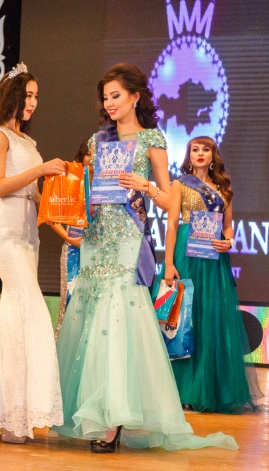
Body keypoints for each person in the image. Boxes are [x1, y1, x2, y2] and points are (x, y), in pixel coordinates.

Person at [54, 64, 237, 452]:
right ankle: (87, 410)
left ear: (135, 97)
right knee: (91, 317)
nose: (110, 103)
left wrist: (146, 186)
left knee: (117, 318)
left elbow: (171, 201)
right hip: (96, 237)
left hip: (127, 239)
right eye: (105, 98)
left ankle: (112, 417)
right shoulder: (98, 140)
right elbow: (86, 187)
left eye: (116, 95)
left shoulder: (152, 138)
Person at [0, 63, 67, 443]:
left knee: (15, 316)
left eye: (36, 96)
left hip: (28, 237)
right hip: (6, 235)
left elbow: (37, 200)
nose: (33, 102)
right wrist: (40, 170)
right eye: (28, 95)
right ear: (12, 96)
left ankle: (10, 416)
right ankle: (13, 415)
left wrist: (67, 229)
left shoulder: (28, 141)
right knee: (32, 311)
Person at [159, 136, 261, 413]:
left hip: (214, 259)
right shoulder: (180, 184)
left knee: (212, 317)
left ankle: (212, 390)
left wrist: (228, 241)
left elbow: (228, 227)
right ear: (189, 155)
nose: (200, 154)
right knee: (187, 318)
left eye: (206, 149)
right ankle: (185, 390)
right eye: (195, 149)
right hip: (187, 253)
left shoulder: (224, 188)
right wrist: (168, 263)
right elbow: (171, 224)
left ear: (213, 156)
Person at [48, 140, 91, 339]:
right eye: (89, 153)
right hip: (73, 250)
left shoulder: (107, 185)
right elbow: (51, 216)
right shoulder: (70, 181)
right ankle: (66, 346)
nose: (92, 158)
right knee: (70, 301)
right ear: (81, 156)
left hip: (98, 252)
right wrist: (69, 239)